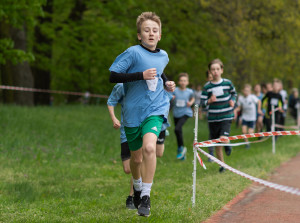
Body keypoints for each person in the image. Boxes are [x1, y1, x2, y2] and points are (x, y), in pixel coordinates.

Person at [109, 12, 175, 217]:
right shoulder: (132, 52)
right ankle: (137, 187)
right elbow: (113, 75)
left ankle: (145, 196)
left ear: (160, 35)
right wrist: (140, 76)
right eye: (146, 30)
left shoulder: (163, 55)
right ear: (140, 35)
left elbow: (159, 70)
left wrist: (168, 83)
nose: (151, 33)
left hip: (154, 110)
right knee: (136, 160)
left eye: (155, 30)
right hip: (132, 114)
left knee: (149, 148)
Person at [107, 84, 171, 210]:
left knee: (141, 158)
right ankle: (138, 187)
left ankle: (136, 195)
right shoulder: (122, 86)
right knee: (129, 167)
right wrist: (114, 118)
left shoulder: (152, 84)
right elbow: (111, 101)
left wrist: (169, 85)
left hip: (145, 128)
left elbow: (165, 98)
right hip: (128, 130)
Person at [201, 58, 237, 173]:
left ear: (221, 70)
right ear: (210, 72)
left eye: (217, 69)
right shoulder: (207, 87)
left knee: (223, 138)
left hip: (226, 115)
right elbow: (202, 103)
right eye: (213, 69)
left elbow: (234, 94)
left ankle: (227, 145)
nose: (215, 71)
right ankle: (222, 165)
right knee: (217, 144)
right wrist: (209, 101)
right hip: (213, 118)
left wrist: (233, 101)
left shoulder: (227, 83)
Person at [172, 73, 195, 160]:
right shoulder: (175, 90)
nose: (183, 82)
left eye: (184, 81)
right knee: (178, 131)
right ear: (178, 82)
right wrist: (172, 98)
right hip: (176, 113)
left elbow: (193, 98)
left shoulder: (189, 91)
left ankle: (180, 149)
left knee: (177, 129)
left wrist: (191, 103)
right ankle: (182, 152)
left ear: (187, 82)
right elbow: (170, 96)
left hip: (186, 112)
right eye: (181, 80)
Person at [235, 84, 263, 148]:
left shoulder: (252, 97)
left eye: (247, 91)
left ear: (250, 92)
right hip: (245, 117)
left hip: (252, 118)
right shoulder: (241, 98)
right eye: (245, 90)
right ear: (242, 91)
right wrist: (235, 111)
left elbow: (259, 101)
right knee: (243, 131)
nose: (246, 92)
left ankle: (257, 130)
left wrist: (259, 109)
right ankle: (247, 143)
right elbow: (239, 107)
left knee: (250, 132)